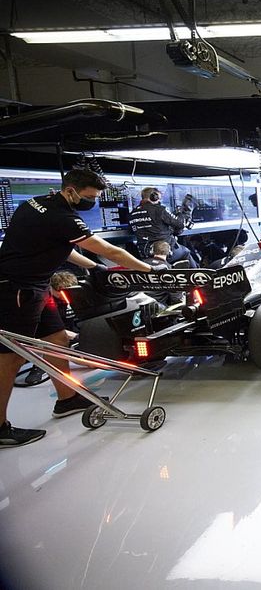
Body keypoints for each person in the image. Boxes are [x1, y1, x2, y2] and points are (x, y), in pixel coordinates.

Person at [0, 169, 155, 448]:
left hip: (36, 286)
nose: (92, 202)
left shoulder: (37, 204)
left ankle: (67, 398)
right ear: (71, 190)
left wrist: (94, 267)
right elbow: (113, 251)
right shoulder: (62, 217)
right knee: (10, 358)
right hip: (16, 290)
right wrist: (151, 271)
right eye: (89, 197)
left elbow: (63, 247)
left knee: (57, 339)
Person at [128, 186, 197, 265]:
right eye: (159, 198)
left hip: (143, 253)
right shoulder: (159, 210)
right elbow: (180, 224)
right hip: (164, 251)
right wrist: (183, 213)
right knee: (186, 252)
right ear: (154, 197)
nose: (159, 200)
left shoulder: (132, 214)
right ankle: (199, 275)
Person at [144, 241, 184, 307]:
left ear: (151, 251)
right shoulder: (168, 269)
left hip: (139, 302)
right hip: (157, 305)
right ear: (169, 253)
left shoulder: (142, 264)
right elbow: (175, 294)